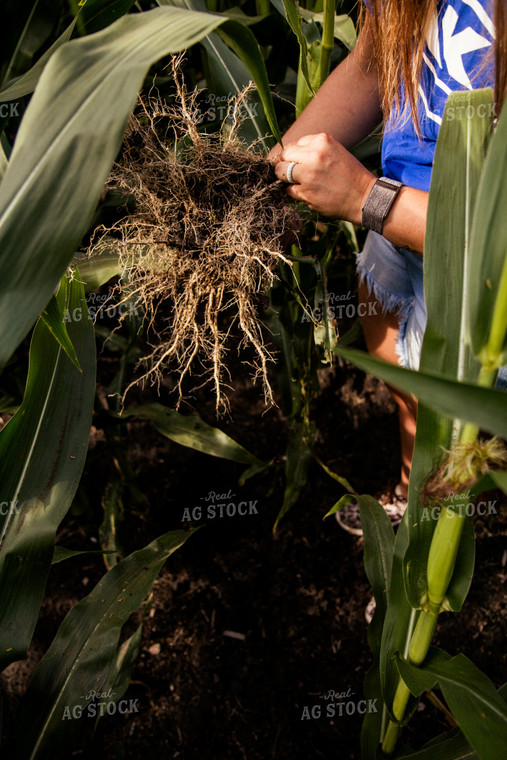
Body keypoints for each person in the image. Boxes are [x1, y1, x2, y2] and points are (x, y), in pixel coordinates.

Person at [269, 0, 505, 526]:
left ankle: (443, 542)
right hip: (396, 229)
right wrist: (276, 171)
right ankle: (409, 493)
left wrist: (363, 199)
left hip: (480, 270)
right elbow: (378, 57)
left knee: (464, 429)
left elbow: (499, 237)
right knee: (411, 397)